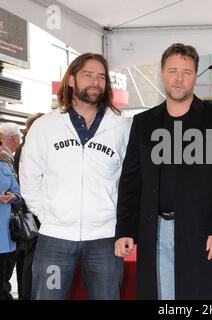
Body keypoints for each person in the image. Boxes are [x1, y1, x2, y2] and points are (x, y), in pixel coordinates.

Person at [115, 43, 212, 300]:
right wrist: (125, 229)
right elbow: (131, 181)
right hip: (154, 230)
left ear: (196, 76)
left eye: (187, 71)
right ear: (162, 74)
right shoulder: (143, 122)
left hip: (203, 232)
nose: (179, 78)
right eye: (173, 70)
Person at [19, 53, 130, 300]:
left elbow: (129, 181)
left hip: (105, 239)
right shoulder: (45, 127)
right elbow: (28, 176)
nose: (95, 81)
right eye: (88, 75)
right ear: (70, 80)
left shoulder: (122, 128)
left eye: (101, 77)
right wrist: (48, 215)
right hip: (55, 240)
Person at [13, 113, 44, 300]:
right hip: (32, 213)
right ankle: (28, 294)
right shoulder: (29, 149)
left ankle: (27, 293)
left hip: (27, 212)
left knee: (25, 258)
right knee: (30, 258)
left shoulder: (24, 148)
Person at [0, 122, 22, 300]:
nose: (2, 148)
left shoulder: (5, 166)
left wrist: (13, 196)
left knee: (4, 275)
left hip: (6, 233)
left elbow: (17, 190)